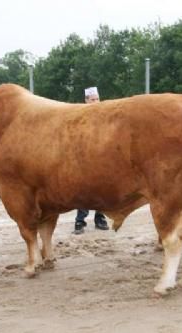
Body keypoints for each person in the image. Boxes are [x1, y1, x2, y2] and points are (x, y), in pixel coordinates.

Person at [73, 86, 109, 235]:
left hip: (101, 157)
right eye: (92, 99)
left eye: (97, 99)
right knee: (83, 189)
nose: (96, 102)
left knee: (102, 188)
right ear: (86, 100)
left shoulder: (104, 115)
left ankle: (100, 218)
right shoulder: (79, 116)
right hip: (83, 158)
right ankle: (80, 220)